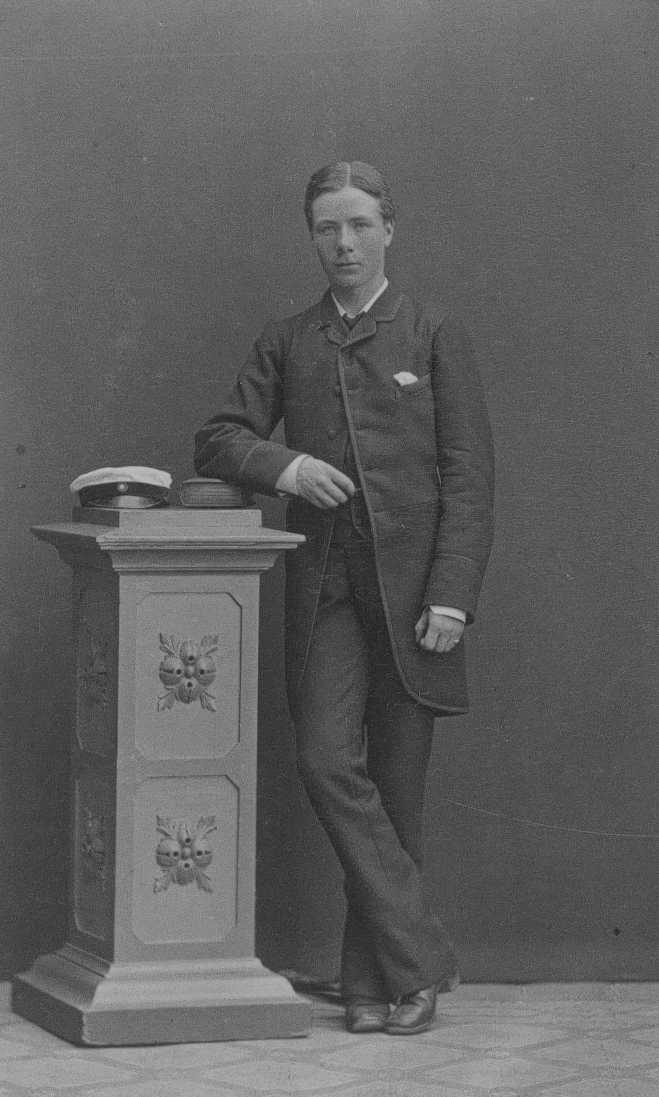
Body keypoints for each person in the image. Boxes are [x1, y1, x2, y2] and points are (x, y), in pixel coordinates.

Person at [194, 161, 494, 1035]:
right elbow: (218, 437)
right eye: (327, 228)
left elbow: (468, 477)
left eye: (359, 224)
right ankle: (422, 959)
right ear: (312, 238)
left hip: (415, 600)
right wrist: (285, 466)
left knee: (396, 794)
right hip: (325, 588)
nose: (344, 243)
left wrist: (452, 596)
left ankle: (372, 985)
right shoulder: (288, 338)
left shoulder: (433, 333)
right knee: (326, 760)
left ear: (388, 229)